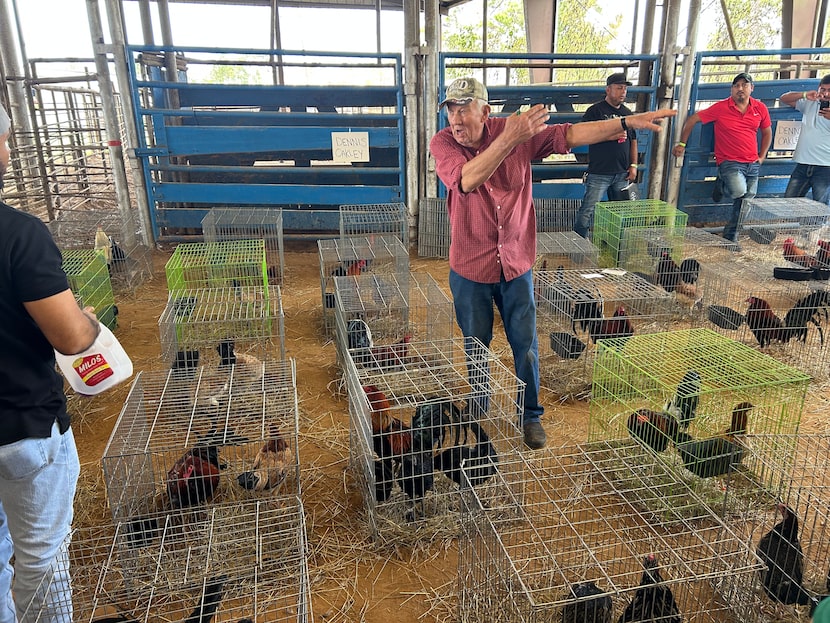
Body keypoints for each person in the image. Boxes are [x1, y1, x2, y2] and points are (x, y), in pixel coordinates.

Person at [429, 77, 675, 449]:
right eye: (451, 110)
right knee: (476, 343)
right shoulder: (444, 142)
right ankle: (479, 407)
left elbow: (569, 135)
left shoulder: (515, 131)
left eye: (464, 110)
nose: (456, 119)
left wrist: (624, 123)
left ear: (485, 111)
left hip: (516, 263)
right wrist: (509, 140)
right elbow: (466, 180)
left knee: (525, 344)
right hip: (470, 266)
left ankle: (530, 415)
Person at [0, 104, 101, 622]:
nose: (9, 149)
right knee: (40, 557)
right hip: (21, 424)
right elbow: (69, 336)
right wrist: (88, 321)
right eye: (5, 139)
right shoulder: (17, 233)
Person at [672, 72, 772, 243]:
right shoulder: (721, 108)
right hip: (729, 161)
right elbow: (693, 119)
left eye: (744, 85)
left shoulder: (760, 108)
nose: (740, 88)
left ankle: (731, 235)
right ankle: (723, 184)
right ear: (731, 89)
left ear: (752, 88)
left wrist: (762, 156)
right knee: (739, 192)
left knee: (745, 202)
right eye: (736, 85)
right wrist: (682, 144)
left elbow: (767, 132)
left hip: (752, 162)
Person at [574, 72, 639, 238]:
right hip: (599, 172)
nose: (623, 92)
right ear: (608, 89)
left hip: (622, 172)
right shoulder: (595, 111)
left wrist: (633, 165)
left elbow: (633, 140)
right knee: (587, 211)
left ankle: (615, 245)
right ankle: (579, 245)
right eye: (619, 88)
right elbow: (583, 134)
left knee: (620, 213)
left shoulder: (627, 113)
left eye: (625, 89)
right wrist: (610, 136)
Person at [779, 76, 830, 204]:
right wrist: (804, 94)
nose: (826, 94)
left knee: (820, 206)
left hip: (825, 165)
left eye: (829, 90)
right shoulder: (810, 102)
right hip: (803, 162)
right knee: (789, 202)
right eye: (823, 89)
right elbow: (784, 98)